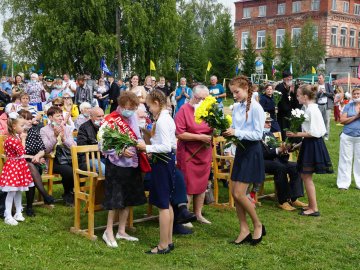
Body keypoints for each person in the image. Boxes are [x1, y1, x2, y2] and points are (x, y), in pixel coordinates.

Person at [222, 75, 266, 245]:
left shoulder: (256, 108)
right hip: (241, 150)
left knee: (240, 193)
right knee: (235, 193)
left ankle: (257, 224)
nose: (234, 95)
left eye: (237, 92)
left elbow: (257, 134)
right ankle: (244, 229)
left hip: (252, 152)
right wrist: (229, 131)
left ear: (246, 88)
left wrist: (236, 133)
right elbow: (237, 128)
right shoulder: (238, 107)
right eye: (233, 92)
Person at [101, 91, 146, 248]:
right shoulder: (111, 120)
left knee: (128, 198)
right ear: (120, 105)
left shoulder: (133, 117)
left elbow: (137, 135)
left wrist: (140, 144)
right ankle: (108, 232)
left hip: (132, 163)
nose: (129, 110)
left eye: (132, 108)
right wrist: (119, 151)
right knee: (115, 200)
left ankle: (121, 231)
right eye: (127, 107)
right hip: (116, 165)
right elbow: (103, 145)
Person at [137, 90, 176, 254]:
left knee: (162, 204)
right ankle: (169, 240)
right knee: (166, 202)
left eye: (149, 106)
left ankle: (163, 244)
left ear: (157, 103)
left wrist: (147, 147)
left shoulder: (163, 120)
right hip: (165, 161)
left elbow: (166, 146)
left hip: (163, 162)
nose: (148, 109)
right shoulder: (164, 118)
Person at [286, 84, 333, 217]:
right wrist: (298, 144)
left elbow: (316, 132)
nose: (297, 97)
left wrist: (296, 135)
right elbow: (309, 132)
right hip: (309, 143)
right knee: (305, 176)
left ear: (305, 97)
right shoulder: (307, 108)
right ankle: (312, 205)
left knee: (307, 176)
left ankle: (314, 208)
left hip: (313, 144)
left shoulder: (312, 110)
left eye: (298, 95)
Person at [175, 85, 212, 224]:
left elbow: (211, 128)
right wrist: (199, 137)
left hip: (204, 153)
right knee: (188, 185)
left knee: (202, 184)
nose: (203, 101)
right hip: (188, 153)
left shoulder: (207, 110)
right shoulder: (183, 110)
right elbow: (179, 133)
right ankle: (185, 215)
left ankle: (198, 214)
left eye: (205, 99)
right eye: (201, 98)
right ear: (193, 96)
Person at [261, 112, 307, 211]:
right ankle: (283, 201)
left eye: (270, 122)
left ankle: (293, 198)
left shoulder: (269, 133)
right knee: (280, 167)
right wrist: (278, 150)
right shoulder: (256, 135)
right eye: (266, 122)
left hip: (275, 159)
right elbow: (261, 154)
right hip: (262, 162)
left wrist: (286, 149)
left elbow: (277, 149)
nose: (269, 124)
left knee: (296, 166)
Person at [18, 110, 55, 216]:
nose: (30, 121)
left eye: (30, 119)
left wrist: (38, 156)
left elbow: (42, 148)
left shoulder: (34, 131)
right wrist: (31, 156)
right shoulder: (17, 134)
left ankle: (31, 206)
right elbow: (19, 154)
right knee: (29, 167)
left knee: (32, 168)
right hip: (18, 163)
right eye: (27, 119)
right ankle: (43, 196)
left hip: (35, 162)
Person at [0, 112, 33, 225]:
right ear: (14, 127)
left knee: (19, 190)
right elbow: (21, 152)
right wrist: (23, 140)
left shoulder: (15, 137)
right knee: (12, 191)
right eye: (22, 126)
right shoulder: (12, 139)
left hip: (19, 166)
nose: (23, 128)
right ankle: (7, 215)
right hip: (14, 167)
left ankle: (18, 212)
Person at [40, 106, 77, 206]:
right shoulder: (44, 130)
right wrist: (55, 137)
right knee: (69, 171)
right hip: (53, 160)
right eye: (58, 116)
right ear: (50, 118)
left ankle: (72, 191)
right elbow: (45, 149)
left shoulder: (67, 129)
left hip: (69, 157)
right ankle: (68, 193)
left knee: (82, 168)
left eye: (61, 115)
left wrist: (64, 138)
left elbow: (74, 146)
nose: (61, 118)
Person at [336, 88, 360, 190]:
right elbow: (342, 120)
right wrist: (356, 116)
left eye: (358, 93)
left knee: (359, 160)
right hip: (347, 136)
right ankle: (343, 184)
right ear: (351, 95)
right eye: (354, 94)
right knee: (345, 160)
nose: (356, 95)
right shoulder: (348, 106)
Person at [77, 107, 105, 173]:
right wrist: (98, 146)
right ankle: (103, 183)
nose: (101, 118)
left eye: (103, 116)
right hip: (89, 158)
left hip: (105, 157)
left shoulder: (106, 126)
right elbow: (82, 147)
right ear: (91, 117)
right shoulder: (84, 128)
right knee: (103, 169)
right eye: (98, 116)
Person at [276, 71, 297, 140]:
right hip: (282, 113)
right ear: (284, 79)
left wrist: (293, 92)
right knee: (283, 129)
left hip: (291, 112)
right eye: (289, 79)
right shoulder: (279, 87)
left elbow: (295, 98)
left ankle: (291, 141)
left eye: (291, 79)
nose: (290, 80)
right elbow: (280, 99)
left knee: (290, 128)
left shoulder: (293, 87)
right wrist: (286, 90)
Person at [316, 73, 334, 140]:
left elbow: (332, 94)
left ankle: (326, 135)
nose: (319, 79)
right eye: (318, 78)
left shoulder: (328, 85)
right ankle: (319, 134)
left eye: (320, 78)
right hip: (318, 105)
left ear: (324, 78)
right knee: (318, 120)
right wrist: (319, 92)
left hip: (326, 105)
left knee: (326, 120)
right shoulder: (316, 86)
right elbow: (314, 96)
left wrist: (325, 92)